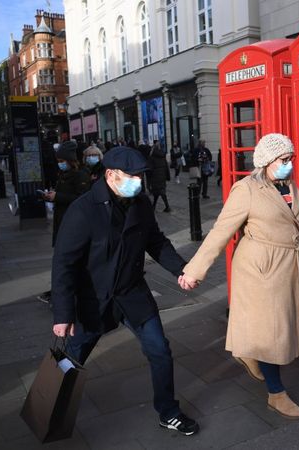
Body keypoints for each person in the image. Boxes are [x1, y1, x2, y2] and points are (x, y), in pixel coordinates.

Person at [50, 146, 199, 436]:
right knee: (71, 359)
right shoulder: (83, 209)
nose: (139, 182)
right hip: (94, 299)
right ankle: (51, 411)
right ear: (110, 175)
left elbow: (156, 242)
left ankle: (168, 412)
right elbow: (63, 264)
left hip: (132, 294)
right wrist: (63, 313)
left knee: (160, 351)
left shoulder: (140, 204)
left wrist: (182, 270)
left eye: (141, 177)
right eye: (132, 176)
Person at [179, 133, 299, 420]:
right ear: (266, 161)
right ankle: (276, 394)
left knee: (282, 328)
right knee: (272, 332)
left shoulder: (289, 185)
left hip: (289, 264)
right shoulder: (246, 190)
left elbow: (296, 226)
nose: (289, 164)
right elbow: (221, 231)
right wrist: (194, 271)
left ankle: (248, 351)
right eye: (284, 159)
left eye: (291, 159)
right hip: (260, 269)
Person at [37, 141, 91, 303]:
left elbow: (82, 199)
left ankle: (61, 294)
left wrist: (58, 197)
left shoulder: (81, 175)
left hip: (73, 224)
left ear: (70, 160)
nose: (59, 164)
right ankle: (60, 292)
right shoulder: (64, 175)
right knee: (65, 261)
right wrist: (51, 196)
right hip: (62, 222)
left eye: (62, 161)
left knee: (67, 261)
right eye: (58, 161)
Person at [147, 141, 171, 212]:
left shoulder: (152, 157)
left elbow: (150, 169)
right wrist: (167, 176)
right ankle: (154, 206)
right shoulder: (162, 155)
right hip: (162, 175)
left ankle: (167, 206)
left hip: (155, 176)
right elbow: (166, 166)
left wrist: (149, 177)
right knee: (158, 191)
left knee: (160, 191)